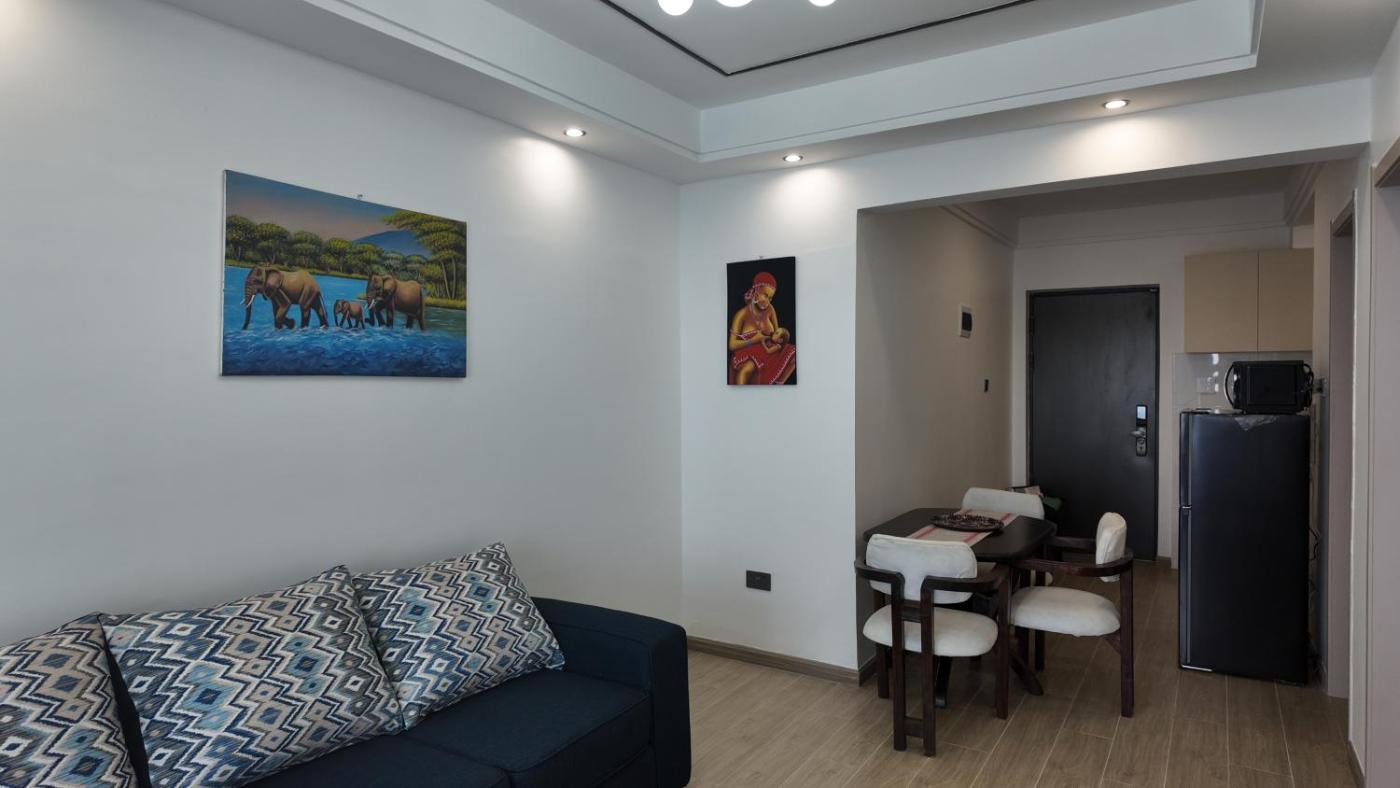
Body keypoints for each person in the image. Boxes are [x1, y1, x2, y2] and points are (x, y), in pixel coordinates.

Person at [728, 271, 796, 385]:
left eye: (770, 298)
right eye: (765, 295)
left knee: (794, 354)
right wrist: (753, 340)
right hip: (748, 351)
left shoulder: (770, 309)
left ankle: (778, 386)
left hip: (768, 350)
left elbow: (777, 332)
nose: (767, 302)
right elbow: (732, 345)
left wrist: (777, 343)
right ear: (756, 291)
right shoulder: (741, 315)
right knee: (747, 369)